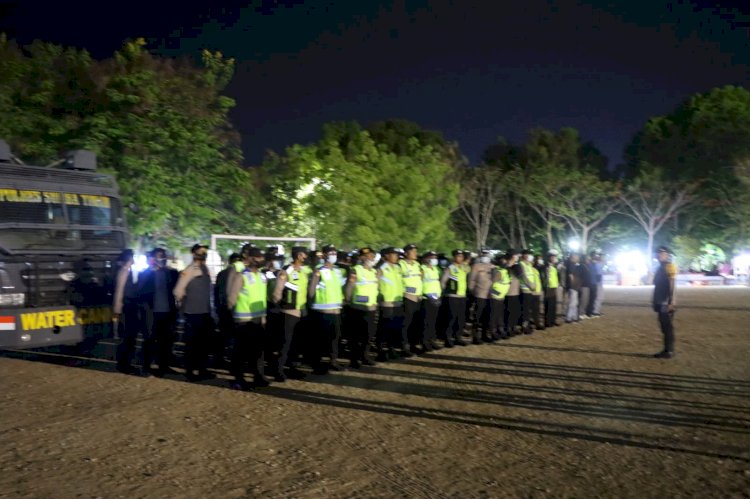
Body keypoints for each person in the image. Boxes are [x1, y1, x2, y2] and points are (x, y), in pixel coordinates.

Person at [226, 245, 271, 389]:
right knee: (241, 351)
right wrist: (231, 314)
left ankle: (258, 376)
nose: (261, 259)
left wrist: (263, 318)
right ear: (250, 259)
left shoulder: (262, 276)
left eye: (262, 257)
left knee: (257, 351)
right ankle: (239, 379)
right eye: (258, 257)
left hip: (258, 320)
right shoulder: (241, 276)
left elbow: (262, 297)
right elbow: (232, 297)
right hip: (243, 321)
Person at [174, 244, 215, 382]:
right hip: (192, 313)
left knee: (204, 344)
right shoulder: (189, 270)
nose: (203, 253)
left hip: (204, 312)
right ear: (193, 253)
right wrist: (184, 304)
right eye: (200, 251)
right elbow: (178, 291)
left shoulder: (205, 268)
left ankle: (202, 370)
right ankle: (190, 372)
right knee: (192, 344)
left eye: (204, 252)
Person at [137, 248, 180, 376]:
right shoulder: (145, 273)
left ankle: (163, 366)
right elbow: (140, 291)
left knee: (166, 341)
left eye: (164, 256)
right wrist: (151, 272)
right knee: (149, 340)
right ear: (153, 259)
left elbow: (177, 289)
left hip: (167, 312)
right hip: (152, 312)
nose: (162, 259)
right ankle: (146, 366)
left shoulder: (171, 273)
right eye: (159, 256)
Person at [270, 246, 309, 382]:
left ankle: (291, 368)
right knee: (284, 343)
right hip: (288, 312)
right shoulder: (286, 271)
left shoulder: (303, 272)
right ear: (298, 255)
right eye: (305, 254)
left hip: (300, 312)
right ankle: (278, 370)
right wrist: (281, 304)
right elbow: (277, 292)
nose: (307, 257)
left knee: (295, 343)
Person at [308, 244, 347, 373]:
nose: (333, 256)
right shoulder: (318, 270)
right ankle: (316, 364)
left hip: (336, 309)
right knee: (320, 339)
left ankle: (333, 361)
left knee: (335, 337)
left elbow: (341, 287)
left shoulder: (337, 271)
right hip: (322, 311)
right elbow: (311, 291)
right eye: (331, 253)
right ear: (324, 255)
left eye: (335, 253)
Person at [344, 247, 379, 368]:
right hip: (357, 308)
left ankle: (365, 356)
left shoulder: (374, 272)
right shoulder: (355, 270)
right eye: (367, 256)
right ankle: (354, 359)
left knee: (368, 335)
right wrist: (348, 301)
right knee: (355, 335)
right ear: (361, 258)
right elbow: (349, 288)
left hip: (371, 308)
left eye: (372, 256)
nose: (370, 258)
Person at [377, 247, 409, 361]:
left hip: (397, 302)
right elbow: (376, 284)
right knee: (384, 328)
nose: (396, 257)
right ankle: (381, 351)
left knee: (394, 328)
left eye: (397, 255)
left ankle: (391, 349)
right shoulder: (381, 268)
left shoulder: (397, 268)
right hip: (386, 303)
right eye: (394, 254)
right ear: (386, 256)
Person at [113, 249, 141, 375]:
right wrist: (117, 310)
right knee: (127, 337)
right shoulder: (124, 272)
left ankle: (126, 363)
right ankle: (123, 364)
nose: (133, 259)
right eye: (132, 257)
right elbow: (119, 292)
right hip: (126, 308)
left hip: (130, 307)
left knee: (130, 337)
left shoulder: (129, 271)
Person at [213, 253, 241, 369]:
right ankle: (228, 358)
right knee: (232, 335)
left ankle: (219, 358)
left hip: (223, 308)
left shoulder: (221, 273)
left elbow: (216, 291)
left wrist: (217, 307)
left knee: (223, 335)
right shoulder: (241, 274)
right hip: (235, 308)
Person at [652, 246, 677, 359]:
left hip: (665, 301)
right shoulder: (660, 267)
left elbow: (672, 284)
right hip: (660, 300)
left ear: (667, 255)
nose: (659, 255)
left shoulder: (669, 266)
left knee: (667, 326)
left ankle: (668, 351)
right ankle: (667, 349)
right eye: (658, 253)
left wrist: (671, 301)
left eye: (662, 253)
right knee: (663, 325)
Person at [440, 249, 469, 347]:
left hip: (462, 296)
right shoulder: (450, 268)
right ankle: (448, 338)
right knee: (451, 318)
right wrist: (446, 292)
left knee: (460, 318)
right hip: (452, 297)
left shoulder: (463, 267)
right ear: (454, 257)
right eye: (458, 256)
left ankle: (458, 337)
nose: (460, 258)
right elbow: (443, 282)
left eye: (461, 256)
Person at [399, 243, 423, 353]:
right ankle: (404, 345)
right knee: (406, 323)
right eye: (412, 251)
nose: (415, 253)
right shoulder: (401, 264)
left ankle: (413, 344)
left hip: (418, 297)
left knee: (415, 323)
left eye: (415, 251)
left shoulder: (417, 264)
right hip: (407, 297)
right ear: (405, 253)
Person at [468, 249, 494, 343]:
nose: (485, 256)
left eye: (487, 254)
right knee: (478, 316)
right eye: (483, 254)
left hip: (490, 295)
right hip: (479, 294)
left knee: (487, 316)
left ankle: (485, 334)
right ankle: (475, 336)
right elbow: (471, 280)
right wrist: (473, 291)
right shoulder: (476, 266)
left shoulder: (492, 266)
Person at [420, 250, 443, 352]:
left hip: (436, 298)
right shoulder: (422, 269)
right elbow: (419, 283)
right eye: (432, 257)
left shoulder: (435, 269)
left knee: (433, 321)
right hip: (426, 298)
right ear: (426, 259)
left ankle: (431, 340)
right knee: (426, 322)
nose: (434, 259)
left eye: (435, 257)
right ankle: (425, 342)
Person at [489, 253, 511, 340]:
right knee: (494, 315)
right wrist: (496, 294)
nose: (505, 261)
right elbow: (490, 286)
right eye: (503, 260)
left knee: (500, 315)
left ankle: (500, 330)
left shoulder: (505, 271)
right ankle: (493, 332)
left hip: (501, 296)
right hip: (496, 297)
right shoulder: (498, 272)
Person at [518, 249, 539, 334]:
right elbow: (524, 277)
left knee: (528, 309)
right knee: (525, 309)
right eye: (528, 254)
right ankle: (524, 326)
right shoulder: (521, 264)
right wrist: (531, 285)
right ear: (524, 255)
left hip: (530, 290)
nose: (529, 256)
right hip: (525, 289)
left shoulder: (529, 265)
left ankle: (527, 324)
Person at [505, 249, 523, 336]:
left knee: (515, 311)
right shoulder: (506, 266)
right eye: (516, 255)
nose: (517, 257)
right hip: (508, 292)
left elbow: (520, 275)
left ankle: (513, 327)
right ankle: (508, 328)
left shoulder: (516, 266)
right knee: (508, 311)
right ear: (512, 256)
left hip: (516, 292)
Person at [543, 250, 561, 327]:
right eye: (553, 256)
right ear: (549, 257)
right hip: (548, 287)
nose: (554, 258)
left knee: (553, 304)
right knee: (548, 304)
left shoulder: (554, 266)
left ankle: (553, 320)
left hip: (554, 287)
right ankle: (548, 321)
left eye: (555, 257)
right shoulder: (546, 266)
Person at [565, 253, 583, 323]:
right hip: (573, 287)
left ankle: (574, 316)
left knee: (575, 302)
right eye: (577, 257)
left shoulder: (574, 265)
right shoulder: (572, 265)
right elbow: (571, 275)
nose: (578, 258)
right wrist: (573, 285)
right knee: (573, 302)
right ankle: (569, 317)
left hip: (574, 286)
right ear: (573, 257)